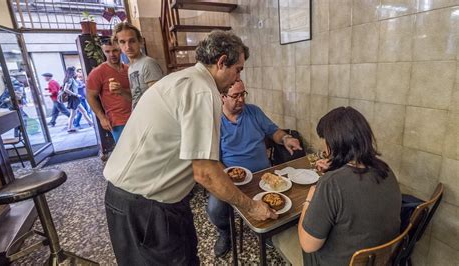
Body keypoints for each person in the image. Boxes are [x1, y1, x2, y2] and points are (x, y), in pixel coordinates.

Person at [103, 30, 278, 265]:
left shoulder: (183, 79)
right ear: (221, 62)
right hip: (145, 205)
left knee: (186, 256)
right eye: (237, 70)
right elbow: (205, 172)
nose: (237, 79)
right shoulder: (203, 92)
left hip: (148, 200)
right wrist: (251, 207)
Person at [272, 106, 402, 266]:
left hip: (338, 261)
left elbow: (308, 245)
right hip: (380, 259)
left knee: (288, 237)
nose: (325, 148)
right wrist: (338, 166)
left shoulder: (331, 184)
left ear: (334, 143)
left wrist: (309, 200)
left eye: (326, 142)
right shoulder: (385, 170)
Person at [207, 80, 302, 257]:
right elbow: (213, 160)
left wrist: (286, 138)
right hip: (233, 181)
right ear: (222, 97)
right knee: (214, 207)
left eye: (243, 94)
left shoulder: (254, 112)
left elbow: (274, 131)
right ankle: (225, 233)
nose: (241, 99)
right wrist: (225, 176)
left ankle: (272, 230)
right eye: (235, 96)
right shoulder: (215, 121)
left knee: (290, 195)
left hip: (263, 177)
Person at [86, 37, 132, 143]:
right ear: (103, 51)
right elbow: (90, 96)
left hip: (136, 114)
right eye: (107, 51)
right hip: (118, 120)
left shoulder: (129, 69)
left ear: (121, 49)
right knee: (125, 151)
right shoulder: (97, 73)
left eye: (115, 50)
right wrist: (101, 117)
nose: (112, 54)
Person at [112, 22, 164, 108]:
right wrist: (121, 91)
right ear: (117, 45)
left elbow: (159, 99)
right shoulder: (131, 67)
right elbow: (136, 99)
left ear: (140, 41)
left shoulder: (148, 63)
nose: (128, 46)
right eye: (122, 42)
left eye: (132, 41)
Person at [62, 67, 93, 133]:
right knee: (73, 114)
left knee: (83, 111)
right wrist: (75, 94)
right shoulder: (70, 79)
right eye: (75, 71)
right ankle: (69, 128)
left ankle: (91, 123)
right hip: (73, 98)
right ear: (72, 72)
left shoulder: (72, 79)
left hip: (75, 98)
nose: (76, 72)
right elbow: (65, 89)